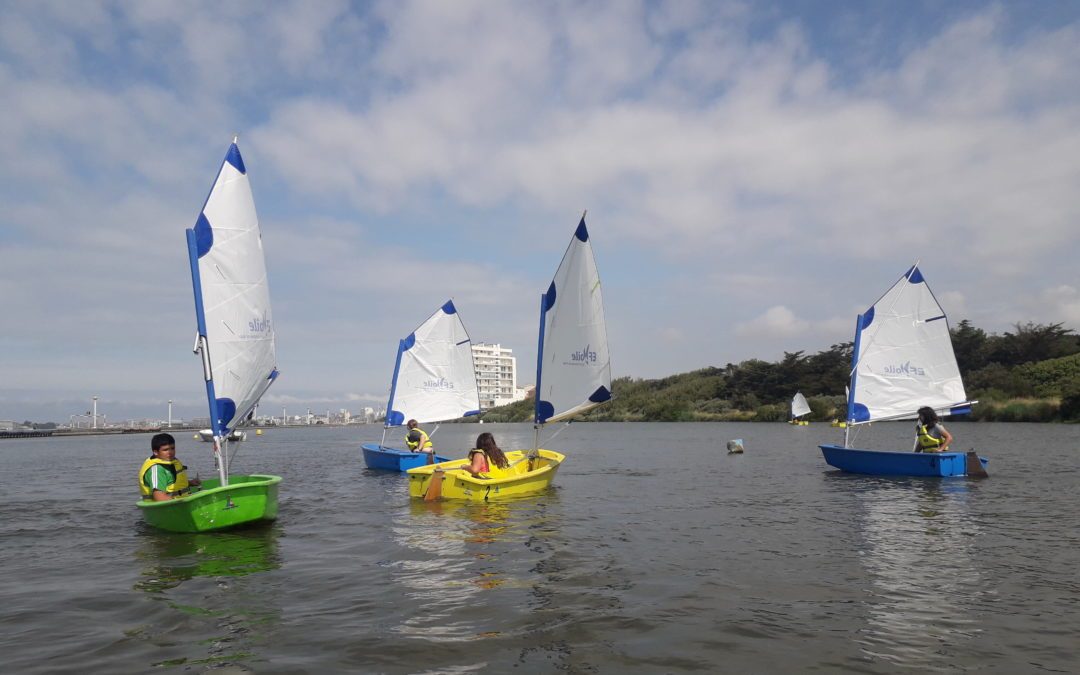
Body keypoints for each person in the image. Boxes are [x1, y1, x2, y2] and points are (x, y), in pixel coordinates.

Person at [138, 433, 200, 501]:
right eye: (165, 450)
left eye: (172, 448)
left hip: (181, 501)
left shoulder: (171, 463)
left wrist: (189, 483)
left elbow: (170, 483)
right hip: (166, 508)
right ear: (155, 452)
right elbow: (159, 497)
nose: (170, 452)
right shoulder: (157, 469)